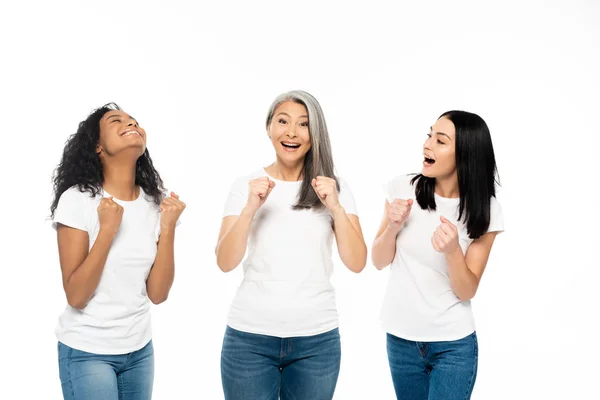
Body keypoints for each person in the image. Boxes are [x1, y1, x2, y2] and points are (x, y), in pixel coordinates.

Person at [216, 90, 367, 400]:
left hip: (316, 340)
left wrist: (336, 207)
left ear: (315, 133)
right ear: (269, 127)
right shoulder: (245, 186)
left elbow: (357, 262)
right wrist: (249, 209)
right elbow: (225, 261)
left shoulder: (334, 189)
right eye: (283, 121)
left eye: (303, 124)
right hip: (249, 337)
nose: (291, 133)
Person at [50, 103, 185, 400]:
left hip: (139, 351)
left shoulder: (155, 201)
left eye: (134, 120)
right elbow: (76, 295)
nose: (130, 123)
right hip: (88, 351)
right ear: (97, 146)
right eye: (116, 120)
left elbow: (158, 294)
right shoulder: (78, 200)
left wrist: (169, 227)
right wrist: (107, 231)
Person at [371, 110, 504, 400]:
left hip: (452, 346)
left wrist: (453, 251)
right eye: (429, 134)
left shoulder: (485, 209)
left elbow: (467, 290)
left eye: (440, 141)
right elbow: (378, 261)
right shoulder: (402, 188)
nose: (427, 144)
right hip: (400, 340)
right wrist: (393, 227)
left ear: (465, 155)